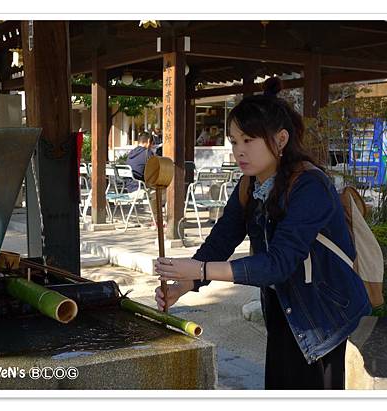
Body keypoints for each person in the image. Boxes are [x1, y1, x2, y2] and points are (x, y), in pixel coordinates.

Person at [153, 77, 371, 390]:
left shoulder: (310, 186)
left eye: (248, 140)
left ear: (280, 140)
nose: (239, 151)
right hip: (285, 308)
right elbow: (221, 241)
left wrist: (200, 269)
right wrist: (184, 283)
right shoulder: (249, 185)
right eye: (234, 141)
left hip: (324, 315)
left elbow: (278, 263)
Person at [125, 132, 165, 225]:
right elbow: (156, 170)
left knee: (154, 190)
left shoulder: (131, 153)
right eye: (152, 143)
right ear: (148, 142)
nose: (152, 146)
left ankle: (156, 219)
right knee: (167, 191)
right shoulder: (147, 153)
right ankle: (161, 219)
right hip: (139, 190)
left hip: (130, 189)